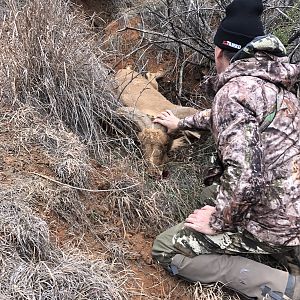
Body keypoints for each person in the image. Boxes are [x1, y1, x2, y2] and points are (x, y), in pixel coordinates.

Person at [152, 0, 300, 299]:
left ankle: (288, 288)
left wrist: (218, 220)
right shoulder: (278, 88)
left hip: (273, 221)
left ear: (220, 51)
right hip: (293, 209)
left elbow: (246, 176)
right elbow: (227, 118)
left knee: (167, 249)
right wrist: (180, 124)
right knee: (213, 194)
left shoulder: (232, 93)